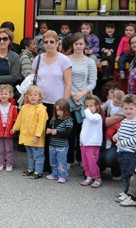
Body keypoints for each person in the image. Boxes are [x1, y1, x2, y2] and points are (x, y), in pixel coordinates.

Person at [30, 30, 73, 167]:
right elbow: (31, 80)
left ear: (57, 42)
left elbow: (68, 83)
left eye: (52, 42)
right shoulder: (38, 59)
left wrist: (64, 103)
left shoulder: (64, 60)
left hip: (57, 104)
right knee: (41, 132)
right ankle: (43, 163)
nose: (49, 44)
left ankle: (57, 163)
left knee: (56, 133)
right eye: (46, 42)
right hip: (40, 103)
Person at [65, 32, 97, 163]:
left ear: (85, 45)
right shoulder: (66, 59)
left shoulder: (90, 61)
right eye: (76, 44)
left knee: (83, 130)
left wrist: (81, 94)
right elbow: (64, 79)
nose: (78, 46)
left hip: (85, 101)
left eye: (81, 44)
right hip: (69, 99)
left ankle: (81, 158)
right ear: (72, 45)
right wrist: (72, 94)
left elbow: (93, 82)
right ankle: (68, 159)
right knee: (69, 130)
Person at [112, 93, 136, 197]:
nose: (128, 111)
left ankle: (129, 193)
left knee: (128, 174)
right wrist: (116, 136)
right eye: (126, 108)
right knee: (124, 174)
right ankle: (127, 191)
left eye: (131, 109)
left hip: (129, 153)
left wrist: (123, 143)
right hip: (121, 152)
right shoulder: (124, 121)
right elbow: (121, 132)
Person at [13, 85, 48, 179]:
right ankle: (30, 169)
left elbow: (41, 124)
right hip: (26, 136)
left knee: (38, 155)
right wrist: (15, 128)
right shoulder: (24, 107)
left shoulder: (41, 110)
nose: (33, 97)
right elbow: (19, 119)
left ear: (40, 97)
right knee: (30, 155)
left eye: (35, 95)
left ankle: (38, 171)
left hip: (35, 138)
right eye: (30, 95)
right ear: (27, 96)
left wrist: (37, 135)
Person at [0, 84, 18, 172]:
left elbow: (16, 119)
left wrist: (15, 128)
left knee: (9, 149)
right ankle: (0, 163)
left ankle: (9, 163)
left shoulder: (13, 108)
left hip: (9, 130)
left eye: (5, 94)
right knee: (0, 149)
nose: (3, 96)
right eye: (1, 94)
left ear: (10, 95)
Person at [45, 98, 72, 183]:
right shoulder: (54, 119)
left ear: (67, 110)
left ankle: (63, 176)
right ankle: (54, 174)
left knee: (61, 162)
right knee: (52, 161)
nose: (59, 112)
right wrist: (48, 130)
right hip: (52, 144)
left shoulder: (68, 121)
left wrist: (57, 132)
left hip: (62, 146)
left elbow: (67, 132)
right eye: (57, 110)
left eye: (61, 110)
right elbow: (49, 126)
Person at [79, 94, 103, 188]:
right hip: (84, 143)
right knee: (85, 162)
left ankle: (97, 178)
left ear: (97, 106)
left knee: (92, 162)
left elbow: (91, 118)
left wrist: (86, 111)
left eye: (91, 106)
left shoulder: (97, 117)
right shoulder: (87, 118)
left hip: (92, 144)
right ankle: (88, 176)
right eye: (86, 106)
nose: (88, 108)